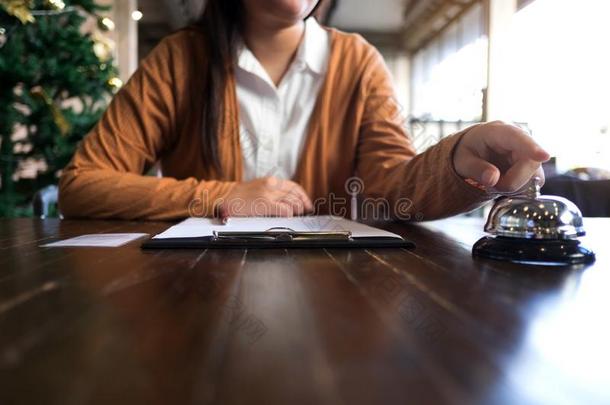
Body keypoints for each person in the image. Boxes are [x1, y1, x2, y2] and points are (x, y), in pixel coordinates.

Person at [58, 0, 550, 221]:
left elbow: (390, 187)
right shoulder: (179, 58)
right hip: (196, 289)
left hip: (332, 294)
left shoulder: (357, 61)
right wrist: (224, 196)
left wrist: (458, 158)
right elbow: (83, 185)